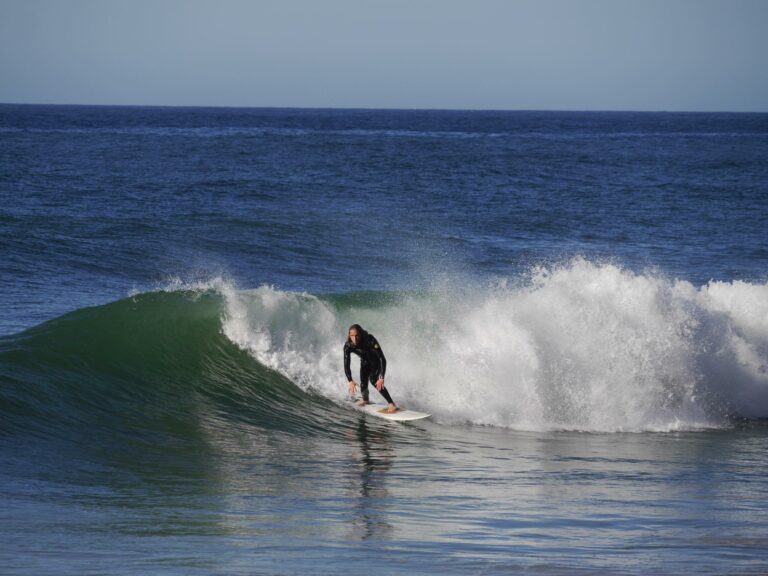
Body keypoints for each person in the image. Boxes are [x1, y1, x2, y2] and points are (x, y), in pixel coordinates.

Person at [344, 324, 398, 413]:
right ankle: (365, 400)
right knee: (363, 384)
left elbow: (382, 358)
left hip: (376, 362)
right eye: (352, 336)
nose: (354, 338)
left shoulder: (369, 339)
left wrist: (381, 377)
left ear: (360, 334)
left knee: (374, 381)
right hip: (364, 362)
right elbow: (346, 364)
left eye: (357, 335)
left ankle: (391, 403)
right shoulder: (348, 345)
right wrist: (350, 380)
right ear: (349, 336)